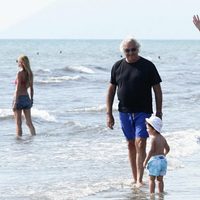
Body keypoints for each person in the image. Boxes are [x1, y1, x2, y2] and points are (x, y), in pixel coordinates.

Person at [106, 37, 163, 187]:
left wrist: (159, 111)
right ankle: (134, 176)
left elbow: (157, 89)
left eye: (133, 49)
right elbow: (111, 90)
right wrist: (108, 113)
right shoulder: (117, 66)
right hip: (124, 112)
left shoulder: (148, 66)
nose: (130, 53)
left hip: (143, 112)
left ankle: (139, 179)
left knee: (140, 142)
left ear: (138, 49)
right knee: (131, 144)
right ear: (123, 51)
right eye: (127, 50)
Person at [143, 115, 170, 194]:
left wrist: (145, 161)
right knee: (160, 180)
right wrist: (164, 155)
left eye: (148, 128)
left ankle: (152, 194)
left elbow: (151, 151)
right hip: (163, 161)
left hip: (155, 161)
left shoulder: (153, 138)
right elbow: (168, 149)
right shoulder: (162, 138)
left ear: (154, 129)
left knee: (151, 179)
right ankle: (161, 193)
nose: (147, 129)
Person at [13, 55, 36, 138]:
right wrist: (31, 100)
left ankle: (19, 145)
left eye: (18, 61)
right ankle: (34, 138)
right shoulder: (30, 74)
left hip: (19, 98)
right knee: (29, 122)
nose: (17, 63)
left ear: (22, 63)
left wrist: (15, 101)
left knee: (18, 123)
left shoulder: (19, 73)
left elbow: (18, 89)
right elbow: (32, 89)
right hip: (27, 98)